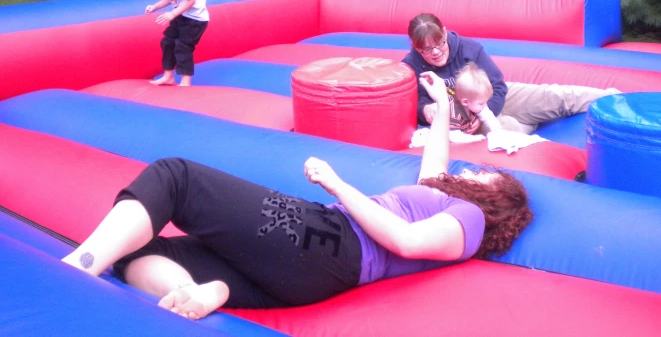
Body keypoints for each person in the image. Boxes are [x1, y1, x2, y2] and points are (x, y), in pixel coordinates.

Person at [62, 72, 533, 319]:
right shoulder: (443, 193)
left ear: (498, 199)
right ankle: (199, 292)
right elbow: (437, 158)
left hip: (328, 242)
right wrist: (444, 105)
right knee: (132, 253)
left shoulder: (470, 219)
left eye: (490, 175)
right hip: (304, 275)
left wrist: (338, 186)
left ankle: (73, 272)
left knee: (175, 177)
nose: (478, 170)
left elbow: (407, 242)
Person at [402, 13, 621, 134]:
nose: (436, 51)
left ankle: (614, 98)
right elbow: (417, 106)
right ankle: (529, 125)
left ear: (445, 33)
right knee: (509, 130)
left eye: (439, 43)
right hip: (464, 118)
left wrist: (488, 110)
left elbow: (498, 87)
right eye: (426, 49)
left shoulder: (468, 49)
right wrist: (426, 110)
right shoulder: (411, 66)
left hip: (493, 99)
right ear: (415, 46)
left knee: (553, 96)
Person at [450, 62, 502, 135]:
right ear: (465, 102)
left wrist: (498, 131)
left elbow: (490, 119)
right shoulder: (454, 113)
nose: (485, 105)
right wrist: (475, 139)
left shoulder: (474, 104)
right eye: (481, 103)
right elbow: (454, 136)